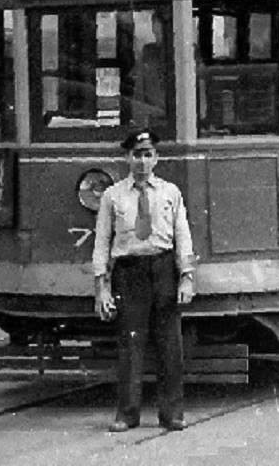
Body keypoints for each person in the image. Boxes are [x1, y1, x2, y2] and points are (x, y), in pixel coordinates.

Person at [92, 130, 195, 433]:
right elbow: (101, 241)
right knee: (130, 344)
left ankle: (172, 414)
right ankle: (127, 414)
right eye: (136, 155)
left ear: (156, 158)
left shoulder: (170, 193)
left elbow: (183, 236)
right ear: (127, 158)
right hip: (130, 272)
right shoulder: (113, 196)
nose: (142, 161)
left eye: (148, 154)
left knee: (169, 346)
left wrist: (186, 278)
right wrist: (102, 287)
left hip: (163, 268)